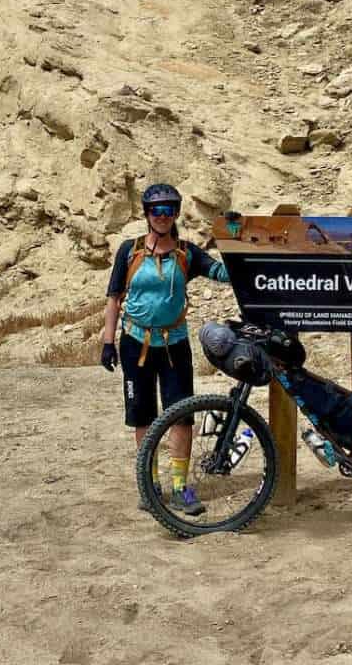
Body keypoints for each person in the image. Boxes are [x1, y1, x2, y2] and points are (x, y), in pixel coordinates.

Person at [101, 183, 230, 514]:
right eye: (156, 210)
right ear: (146, 214)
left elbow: (223, 273)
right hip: (135, 342)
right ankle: (150, 485)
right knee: (143, 415)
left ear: (176, 214)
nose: (163, 216)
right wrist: (107, 342)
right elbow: (114, 298)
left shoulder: (187, 253)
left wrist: (237, 239)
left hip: (174, 344)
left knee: (181, 416)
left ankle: (180, 486)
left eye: (169, 210)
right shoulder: (128, 251)